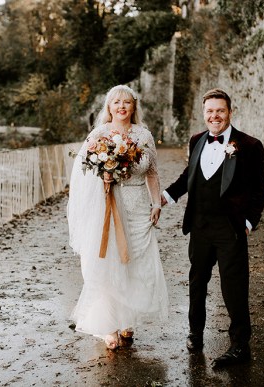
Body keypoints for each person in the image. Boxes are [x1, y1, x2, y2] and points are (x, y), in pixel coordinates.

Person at [161, 88, 264, 368]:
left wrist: (248, 222)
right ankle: (195, 333)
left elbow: (260, 190)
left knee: (234, 287)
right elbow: (189, 176)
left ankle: (240, 346)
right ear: (204, 113)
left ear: (230, 112)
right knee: (197, 284)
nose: (215, 116)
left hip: (230, 229)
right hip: (199, 226)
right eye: (210, 111)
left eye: (220, 110)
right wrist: (166, 196)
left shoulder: (250, 145)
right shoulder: (196, 140)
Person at [68, 85, 168, 350]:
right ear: (109, 107)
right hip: (108, 206)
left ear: (134, 107)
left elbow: (152, 173)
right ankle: (108, 325)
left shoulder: (144, 135)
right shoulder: (99, 134)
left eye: (127, 102)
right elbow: (82, 171)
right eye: (116, 103)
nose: (122, 107)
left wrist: (156, 203)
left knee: (134, 263)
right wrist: (104, 176)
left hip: (137, 207)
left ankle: (126, 319)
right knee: (109, 264)